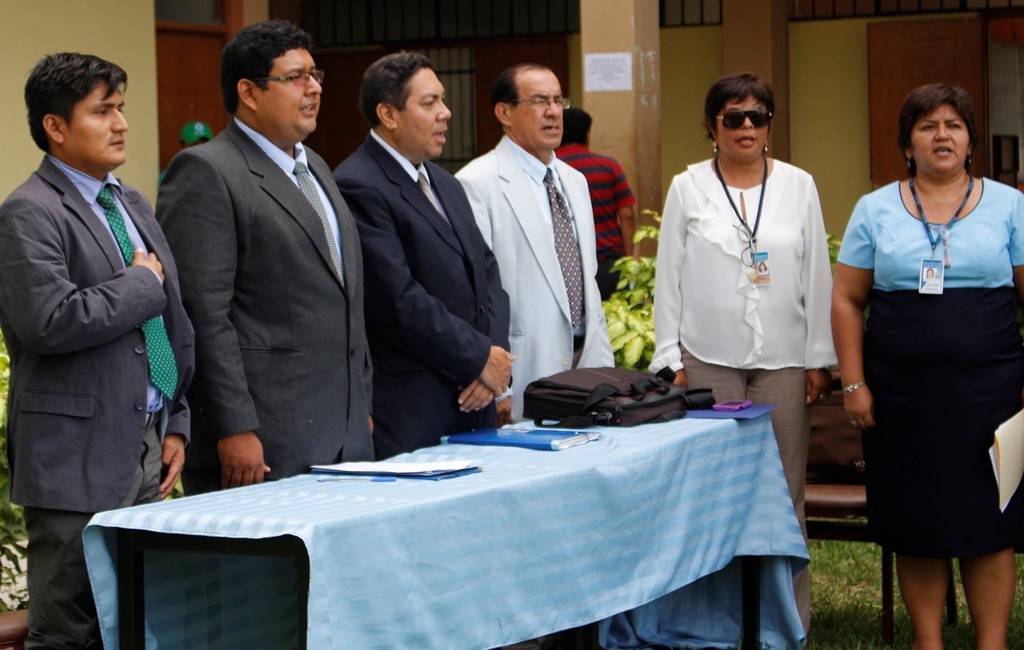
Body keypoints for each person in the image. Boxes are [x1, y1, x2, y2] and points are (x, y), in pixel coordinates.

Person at [0, 53, 194, 649]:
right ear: (55, 127)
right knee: (69, 631)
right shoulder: (27, 212)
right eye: (102, 111)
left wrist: (176, 418)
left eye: (121, 109)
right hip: (71, 459)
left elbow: (173, 320)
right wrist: (139, 284)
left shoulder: (131, 201)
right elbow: (49, 321)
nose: (121, 124)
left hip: (144, 441)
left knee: (137, 621)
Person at [832, 83, 1024, 650]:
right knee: (918, 524)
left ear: (970, 143)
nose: (942, 135)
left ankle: (992, 644)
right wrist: (854, 382)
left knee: (991, 525)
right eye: (927, 126)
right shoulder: (875, 208)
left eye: (954, 126)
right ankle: (927, 641)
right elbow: (846, 298)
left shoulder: (1010, 205)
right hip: (900, 399)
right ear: (908, 143)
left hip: (991, 394)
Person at [648, 72, 835, 631]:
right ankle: (718, 623)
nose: (747, 127)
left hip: (782, 362)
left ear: (770, 126)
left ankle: (787, 621)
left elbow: (815, 274)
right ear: (712, 126)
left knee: (785, 493)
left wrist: (817, 357)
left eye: (758, 116)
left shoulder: (800, 185)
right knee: (715, 493)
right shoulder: (688, 187)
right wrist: (670, 357)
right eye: (734, 117)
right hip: (709, 361)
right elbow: (669, 279)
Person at [158, 20, 374, 493]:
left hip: (344, 433)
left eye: (315, 75)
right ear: (249, 92)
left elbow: (343, 295)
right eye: (295, 77)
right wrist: (233, 425)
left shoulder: (314, 164)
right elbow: (202, 314)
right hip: (264, 440)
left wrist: (360, 403)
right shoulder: (206, 171)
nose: (313, 87)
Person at [333, 53, 512, 458]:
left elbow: (487, 275)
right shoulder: (357, 184)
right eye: (429, 103)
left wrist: (492, 362)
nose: (445, 113)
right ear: (388, 114)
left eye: (443, 100)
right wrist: (478, 356)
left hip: (477, 397)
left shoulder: (447, 183)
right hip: (416, 407)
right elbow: (397, 300)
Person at [456, 64, 614, 423]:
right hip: (524, 369)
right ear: (504, 112)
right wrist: (499, 385)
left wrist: (603, 362)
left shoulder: (574, 182)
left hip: (587, 364)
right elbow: (476, 295)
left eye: (559, 100)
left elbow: (586, 279)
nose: (554, 111)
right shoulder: (476, 183)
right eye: (539, 101)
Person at [556, 107, 637, 300]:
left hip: (566, 268)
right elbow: (627, 215)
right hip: (609, 265)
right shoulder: (610, 168)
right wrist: (629, 258)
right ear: (587, 135)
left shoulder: (550, 169)